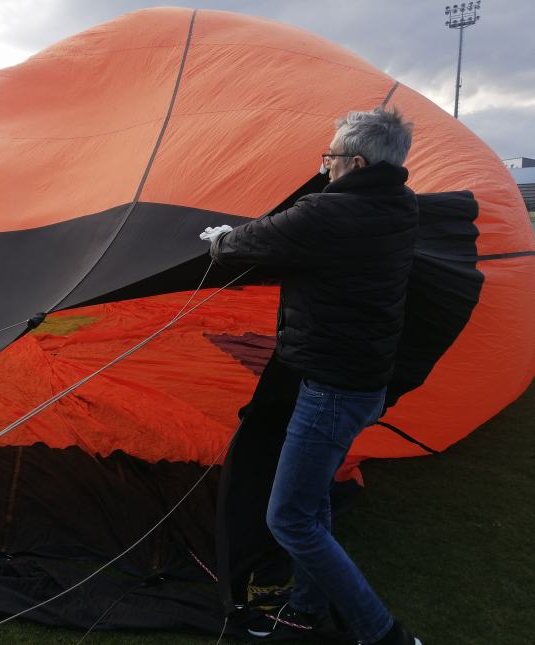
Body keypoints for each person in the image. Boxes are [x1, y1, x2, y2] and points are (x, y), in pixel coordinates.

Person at [201, 108, 422, 645]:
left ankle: (383, 634)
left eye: (330, 159)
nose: (324, 170)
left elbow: (246, 243)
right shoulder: (400, 206)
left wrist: (218, 237)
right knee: (315, 500)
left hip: (331, 388)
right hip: (362, 382)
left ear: (357, 162)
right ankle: (305, 607)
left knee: (289, 519)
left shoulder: (330, 213)